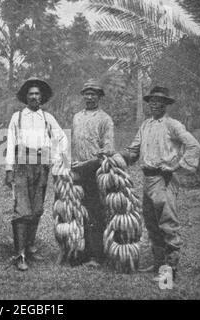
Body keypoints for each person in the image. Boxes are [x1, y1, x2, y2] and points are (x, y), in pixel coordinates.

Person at [120, 86, 200, 282]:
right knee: (151, 223)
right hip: (148, 179)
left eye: (160, 101)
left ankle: (169, 273)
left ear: (166, 104)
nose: (155, 104)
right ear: (148, 104)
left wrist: (177, 167)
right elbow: (134, 150)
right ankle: (158, 265)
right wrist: (117, 156)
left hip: (164, 179)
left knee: (167, 224)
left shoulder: (173, 125)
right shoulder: (145, 125)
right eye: (152, 101)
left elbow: (194, 146)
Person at [5, 77, 68, 271]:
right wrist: (9, 169)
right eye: (31, 93)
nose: (34, 97)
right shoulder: (18, 117)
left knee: (37, 208)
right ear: (26, 97)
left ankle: (30, 246)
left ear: (42, 97)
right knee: (22, 209)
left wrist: (57, 161)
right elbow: (10, 143)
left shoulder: (47, 117)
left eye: (37, 94)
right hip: (23, 164)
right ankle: (20, 254)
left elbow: (61, 138)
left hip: (41, 165)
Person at [71, 79, 115, 268]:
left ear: (99, 97)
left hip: (96, 170)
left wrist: (88, 163)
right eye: (87, 93)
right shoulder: (77, 117)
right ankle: (82, 252)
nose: (90, 97)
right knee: (79, 212)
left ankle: (97, 255)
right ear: (83, 96)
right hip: (77, 170)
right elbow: (72, 143)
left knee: (96, 211)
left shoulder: (105, 119)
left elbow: (108, 149)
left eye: (94, 94)